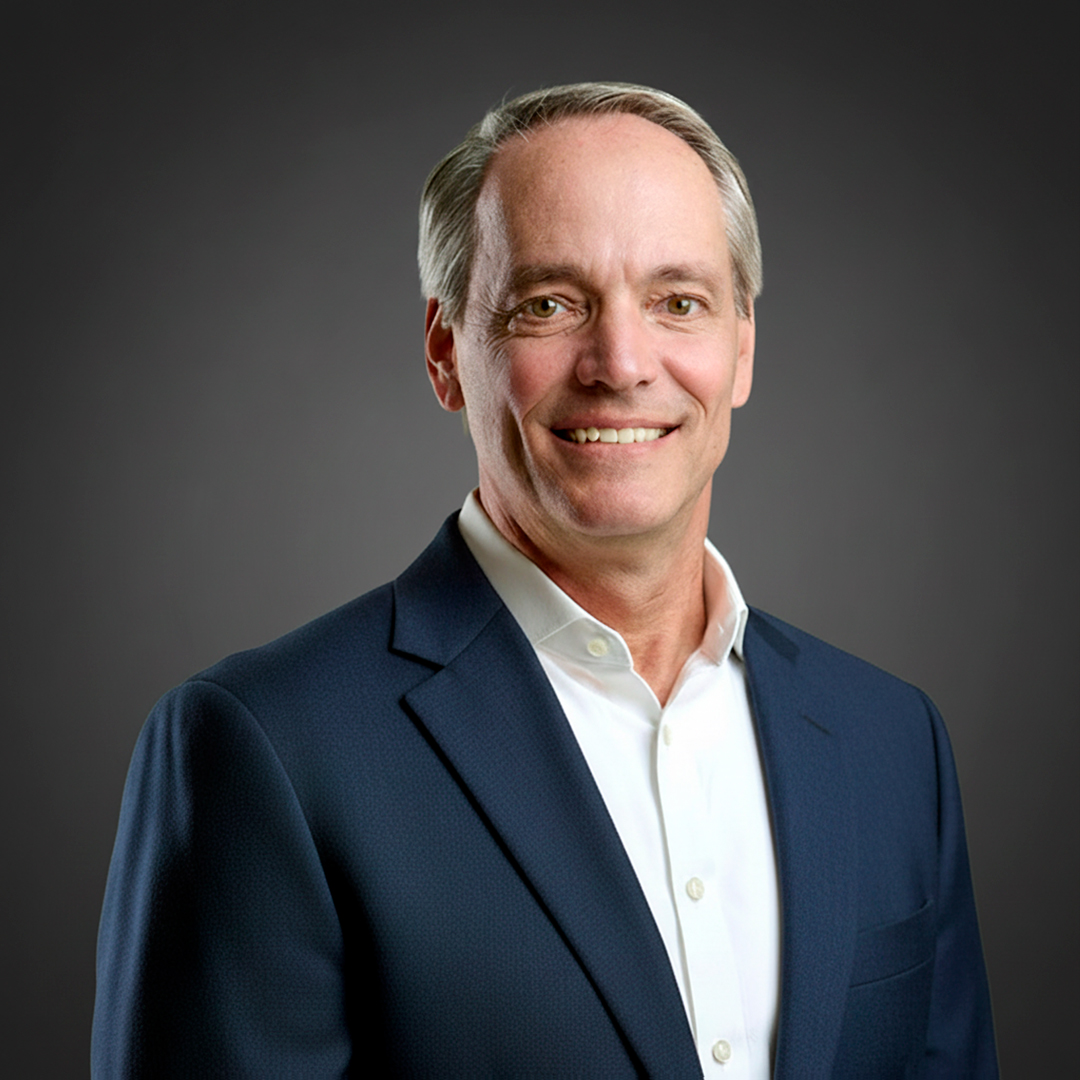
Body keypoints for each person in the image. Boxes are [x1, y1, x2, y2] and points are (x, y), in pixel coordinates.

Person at [92, 82, 997, 1078]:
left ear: (741, 348)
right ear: (446, 353)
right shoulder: (267, 750)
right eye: (550, 305)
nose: (621, 363)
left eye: (679, 302)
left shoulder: (891, 742)